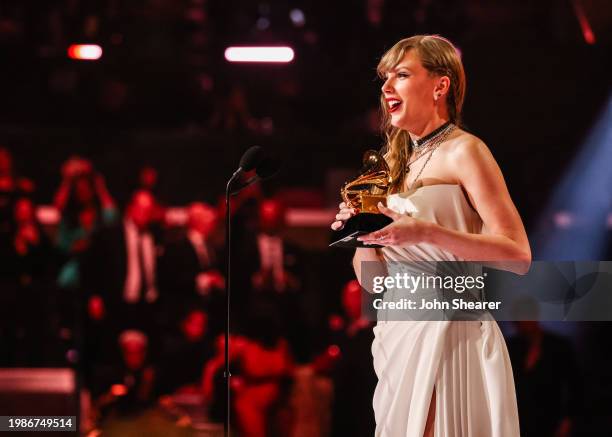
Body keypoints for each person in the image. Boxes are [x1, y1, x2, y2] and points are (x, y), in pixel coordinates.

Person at [331, 35, 531, 437]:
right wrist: (363, 234)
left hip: (450, 326)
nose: (387, 87)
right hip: (398, 329)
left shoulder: (466, 151)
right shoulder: (390, 164)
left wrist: (426, 232)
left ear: (440, 85)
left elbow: (518, 256)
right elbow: (375, 282)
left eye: (402, 75)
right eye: (385, 77)